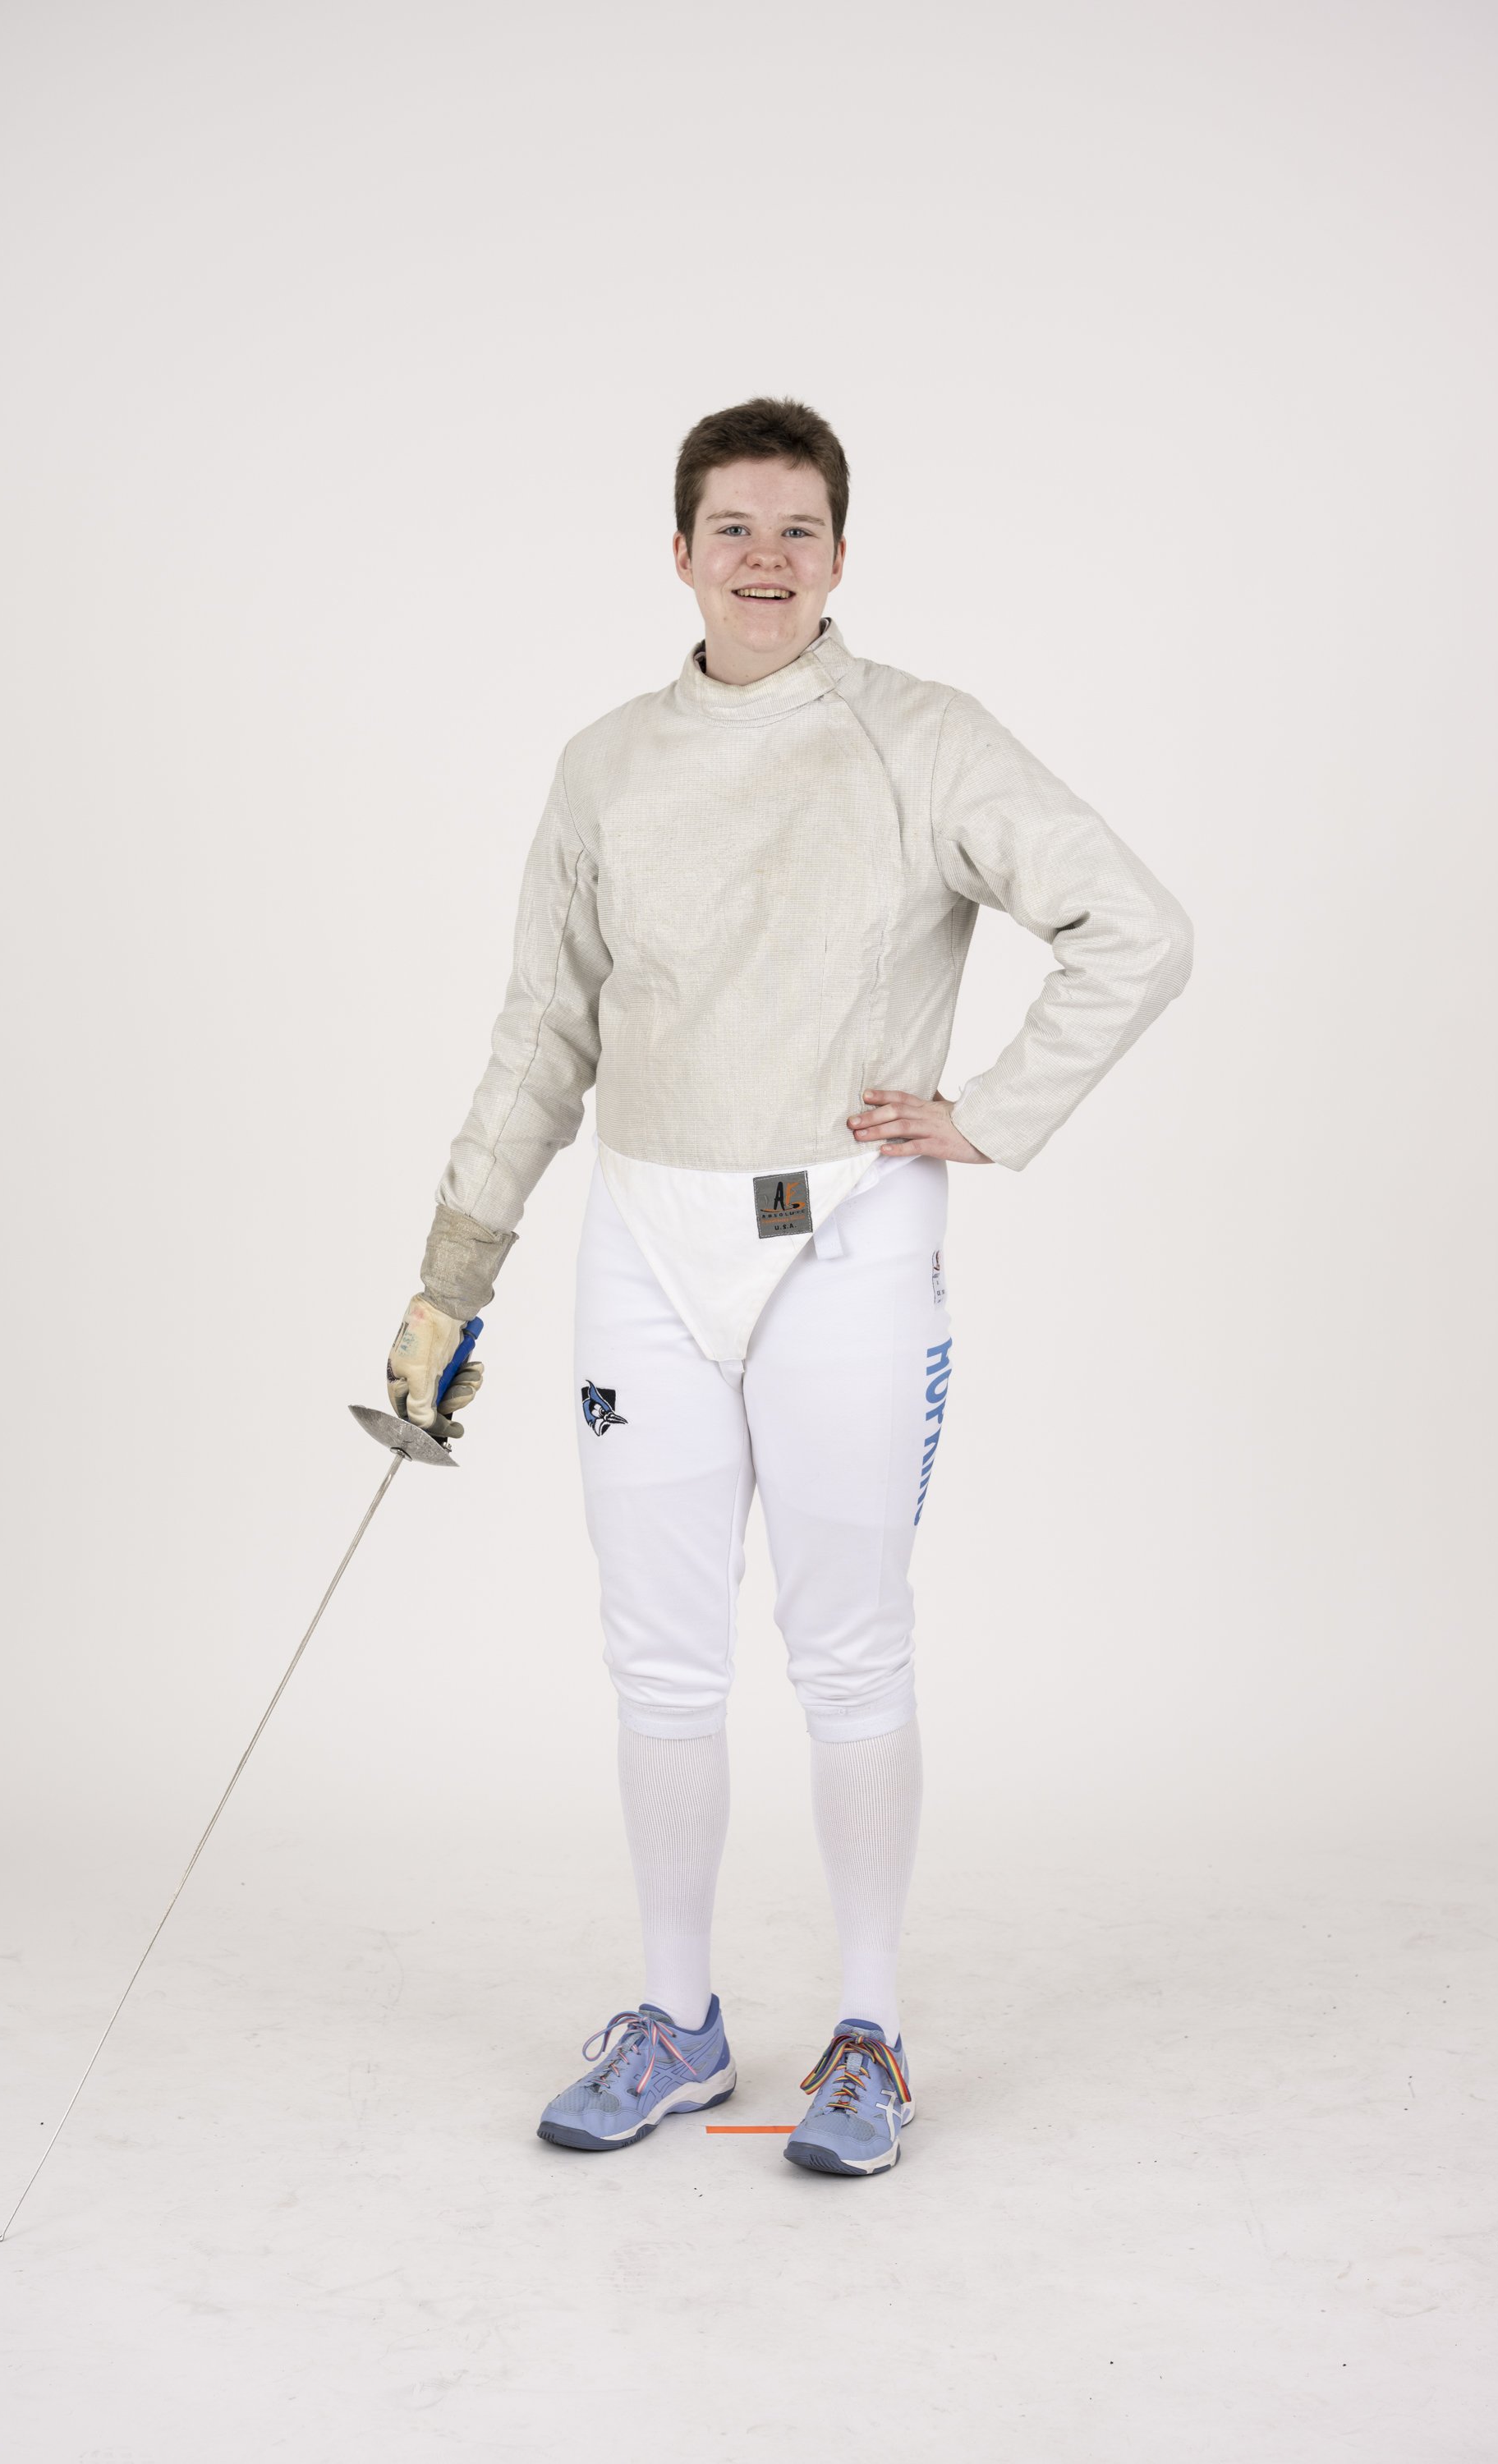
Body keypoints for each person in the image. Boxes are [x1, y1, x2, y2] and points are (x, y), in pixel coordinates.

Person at [387, 398, 1192, 2176]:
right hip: (640, 1243)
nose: (764, 559)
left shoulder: (924, 740)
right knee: (658, 1662)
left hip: (844, 1238)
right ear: (677, 550)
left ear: (841, 555)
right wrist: (454, 1274)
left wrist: (989, 1117)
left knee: (847, 1650)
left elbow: (1134, 923)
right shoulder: (603, 765)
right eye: (731, 528)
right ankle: (676, 2022)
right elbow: (543, 1031)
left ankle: (871, 2033)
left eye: (798, 530)